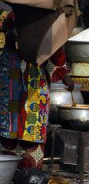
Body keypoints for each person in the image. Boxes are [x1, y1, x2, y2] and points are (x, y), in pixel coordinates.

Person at [0, 12, 73, 170]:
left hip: (32, 75)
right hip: (12, 73)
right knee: (8, 127)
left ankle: (29, 171)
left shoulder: (46, 19)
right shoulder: (12, 17)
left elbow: (55, 51)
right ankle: (9, 169)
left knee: (31, 125)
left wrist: (63, 74)